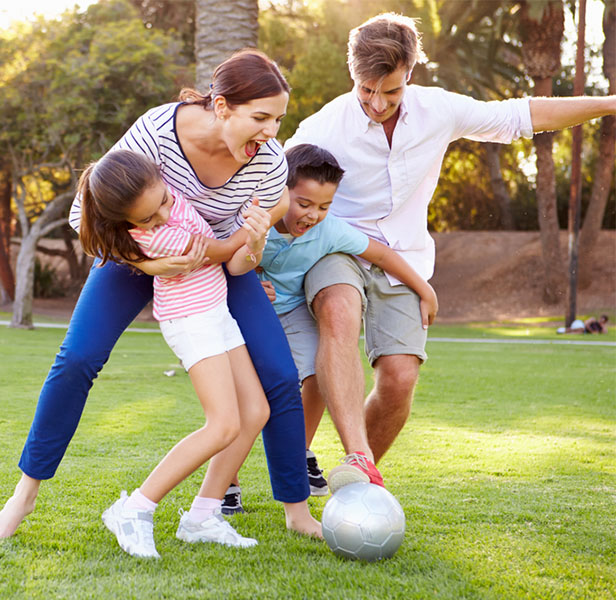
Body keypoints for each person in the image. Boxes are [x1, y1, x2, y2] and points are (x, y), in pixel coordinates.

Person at [0, 49, 323, 542]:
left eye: (278, 119)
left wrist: (252, 243)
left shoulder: (265, 162)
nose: (271, 133)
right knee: (77, 358)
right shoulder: (158, 132)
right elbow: (85, 217)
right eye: (260, 117)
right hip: (131, 255)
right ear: (222, 107)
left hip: (216, 260)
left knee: (280, 376)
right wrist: (148, 264)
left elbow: (249, 242)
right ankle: (23, 496)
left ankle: (291, 510)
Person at [284, 13, 616, 489]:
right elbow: (272, 180)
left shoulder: (437, 110)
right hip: (338, 249)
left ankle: (352, 480)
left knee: (398, 379)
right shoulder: (324, 126)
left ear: (411, 75)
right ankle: (357, 457)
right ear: (353, 76)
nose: (377, 103)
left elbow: (523, 115)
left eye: (391, 92)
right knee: (338, 311)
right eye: (366, 90)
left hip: (406, 258)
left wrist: (610, 103)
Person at [76, 150, 268, 558]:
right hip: (191, 320)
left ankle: (202, 516)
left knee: (256, 412)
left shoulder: (167, 192)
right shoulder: (160, 235)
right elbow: (217, 250)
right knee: (222, 425)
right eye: (146, 219)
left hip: (217, 312)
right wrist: (257, 221)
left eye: (163, 201)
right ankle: (135, 508)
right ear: (127, 223)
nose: (162, 215)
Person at [255, 143, 437, 493]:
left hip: (291, 313)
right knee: (247, 398)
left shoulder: (329, 230)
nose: (312, 215)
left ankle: (299, 454)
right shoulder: (256, 220)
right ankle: (227, 484)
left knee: (318, 372)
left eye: (324, 206)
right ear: (280, 191)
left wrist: (424, 289)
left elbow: (381, 253)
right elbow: (226, 260)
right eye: (304, 204)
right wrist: (249, 283)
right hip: (253, 315)